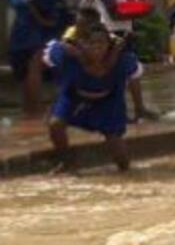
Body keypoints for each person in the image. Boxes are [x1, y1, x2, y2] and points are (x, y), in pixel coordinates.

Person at [44, 9, 141, 173]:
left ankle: (127, 173)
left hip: (108, 97)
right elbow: (47, 59)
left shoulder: (121, 57)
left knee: (114, 140)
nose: (97, 48)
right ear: (82, 42)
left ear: (108, 44)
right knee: (55, 124)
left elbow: (135, 75)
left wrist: (140, 107)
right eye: (92, 44)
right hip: (75, 93)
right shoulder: (67, 53)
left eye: (101, 44)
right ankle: (66, 162)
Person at [93, 0, 157, 122]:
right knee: (121, 73)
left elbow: (126, 7)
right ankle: (126, 111)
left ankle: (137, 109)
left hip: (123, 33)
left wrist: (140, 8)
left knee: (131, 71)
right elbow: (115, 12)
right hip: (112, 35)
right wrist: (142, 11)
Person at [9, 0, 65, 117]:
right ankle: (36, 109)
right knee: (35, 68)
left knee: (27, 71)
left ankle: (28, 109)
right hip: (35, 28)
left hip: (21, 26)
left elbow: (18, 0)